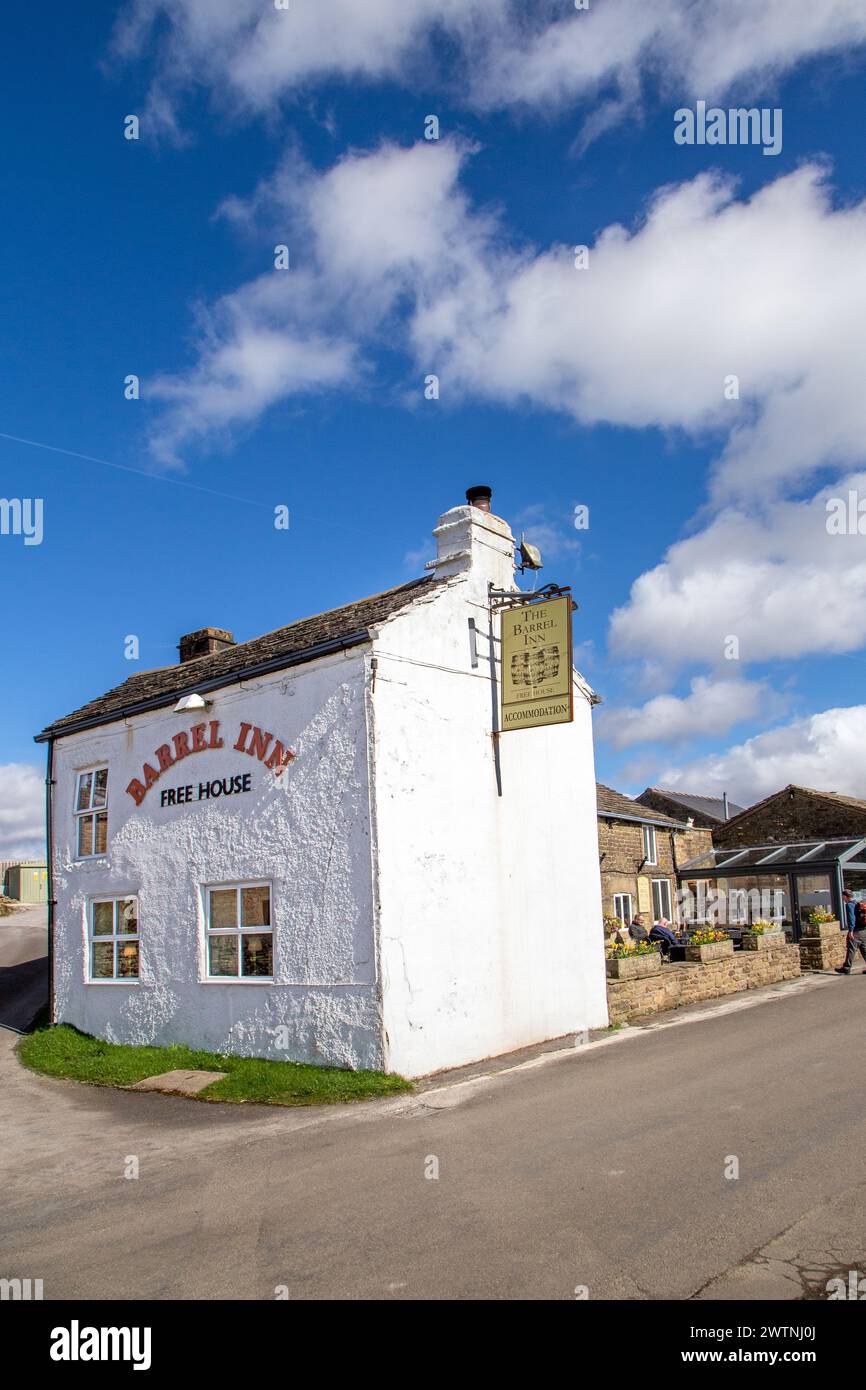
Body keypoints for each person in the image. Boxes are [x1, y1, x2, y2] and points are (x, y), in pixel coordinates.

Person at [836, 890, 866, 974]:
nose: (842, 898)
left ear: (845, 896)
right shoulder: (857, 903)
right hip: (863, 930)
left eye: (843, 896)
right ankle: (846, 967)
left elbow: (851, 918)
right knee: (864, 949)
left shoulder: (849, 905)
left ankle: (846, 968)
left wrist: (851, 931)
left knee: (851, 949)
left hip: (855, 931)